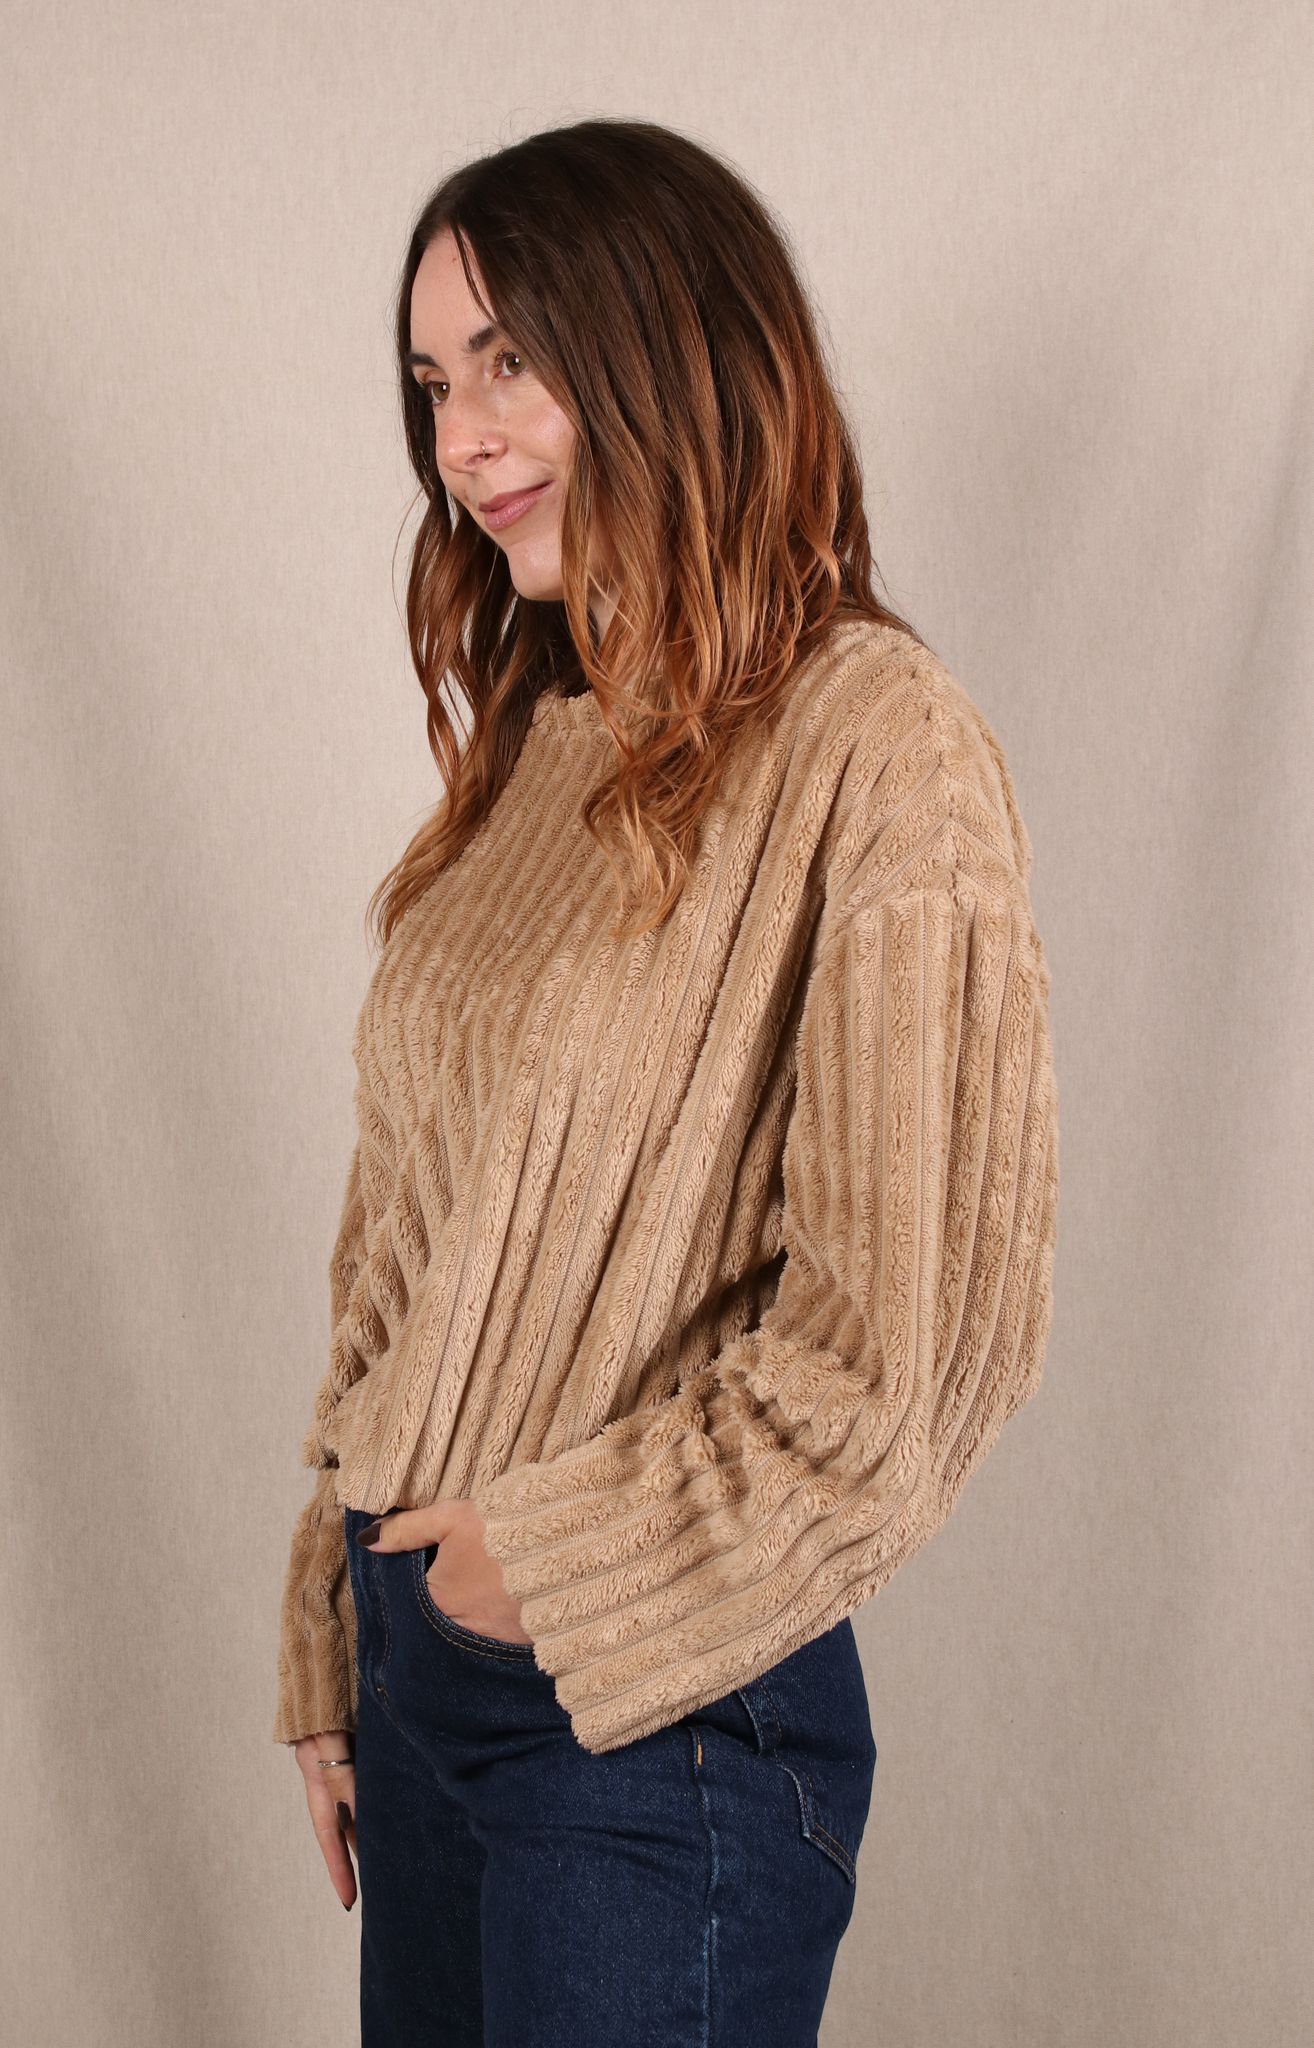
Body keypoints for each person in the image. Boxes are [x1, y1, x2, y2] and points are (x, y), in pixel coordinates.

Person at [273, 117, 1059, 2047]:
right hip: (425, 1682)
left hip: (650, 1719)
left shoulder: (875, 743)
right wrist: (341, 1611)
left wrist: (536, 1570)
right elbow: (408, 1237)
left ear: (671, 350)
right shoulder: (541, 746)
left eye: (511, 362)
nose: (462, 442)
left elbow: (908, 1349)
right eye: (432, 384)